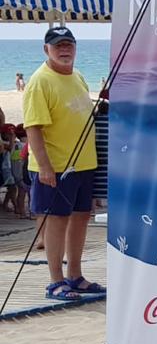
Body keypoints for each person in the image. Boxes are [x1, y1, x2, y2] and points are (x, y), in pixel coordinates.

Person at [23, 27, 104, 300]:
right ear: (47, 49)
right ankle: (55, 281)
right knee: (56, 221)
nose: (64, 49)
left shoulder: (78, 75)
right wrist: (45, 166)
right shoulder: (40, 81)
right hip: (56, 166)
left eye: (69, 44)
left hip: (84, 164)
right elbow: (33, 128)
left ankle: (75, 275)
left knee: (81, 218)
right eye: (58, 45)